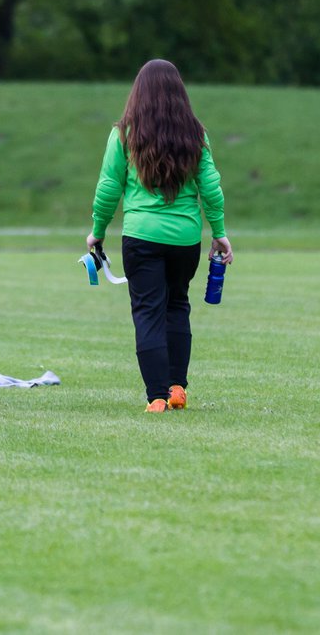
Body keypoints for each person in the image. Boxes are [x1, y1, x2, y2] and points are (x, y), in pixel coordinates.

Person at [87, 59, 232, 413]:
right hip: (185, 240)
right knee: (177, 306)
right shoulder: (195, 134)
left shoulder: (124, 133)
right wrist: (220, 232)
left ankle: (156, 396)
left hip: (141, 238)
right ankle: (177, 387)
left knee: (148, 312)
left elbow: (109, 188)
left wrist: (97, 231)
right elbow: (211, 187)